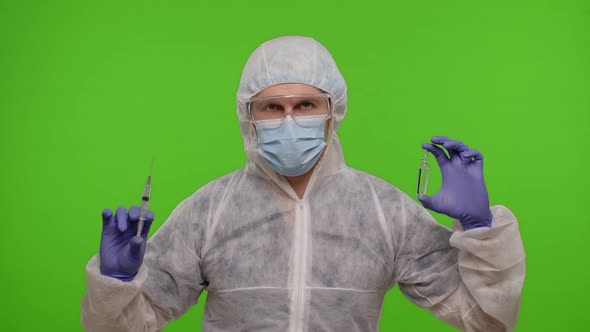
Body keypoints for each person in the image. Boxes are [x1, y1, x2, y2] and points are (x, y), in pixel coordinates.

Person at [81, 36, 526, 332]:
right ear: (247, 117)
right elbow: (131, 324)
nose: (290, 120)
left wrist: (481, 228)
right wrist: (115, 284)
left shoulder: (383, 211)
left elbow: (486, 319)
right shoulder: (209, 211)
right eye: (271, 107)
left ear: (334, 112)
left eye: (306, 104)